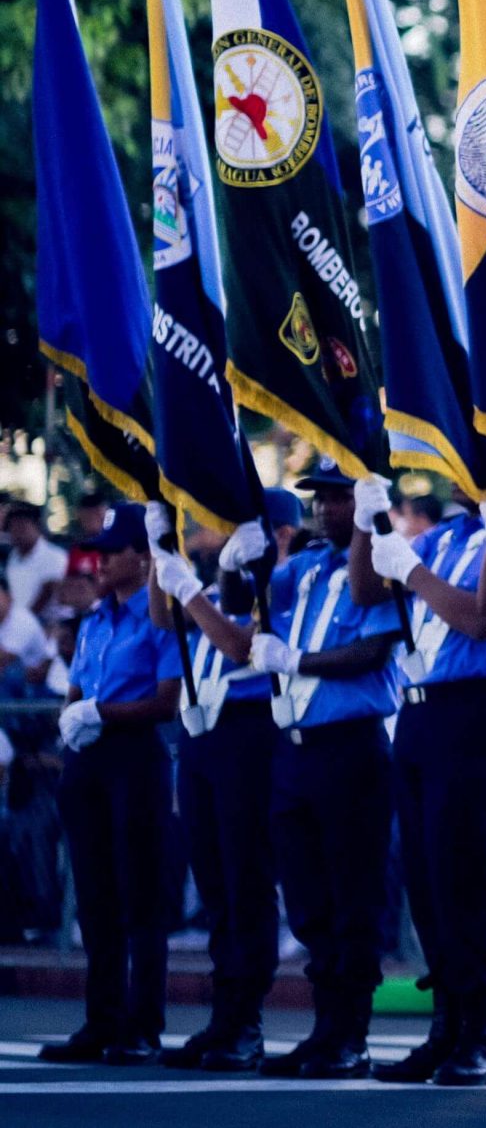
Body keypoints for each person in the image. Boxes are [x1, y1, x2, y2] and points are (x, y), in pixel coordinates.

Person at [356, 473, 486, 1086]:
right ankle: (445, 1026)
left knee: (461, 878)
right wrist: (367, 517)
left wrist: (411, 572)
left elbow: (483, 620)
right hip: (418, 714)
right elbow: (365, 590)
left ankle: (479, 1035)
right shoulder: (441, 538)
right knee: (426, 880)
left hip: (475, 712)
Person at [252, 462, 404, 1078]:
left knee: (352, 895)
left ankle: (351, 1034)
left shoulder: (384, 563)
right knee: (309, 897)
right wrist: (244, 560)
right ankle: (324, 1027)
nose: (324, 510)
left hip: (351, 747)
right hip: (296, 748)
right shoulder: (310, 567)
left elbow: (371, 650)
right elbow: (250, 601)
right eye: (320, 501)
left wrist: (297, 659)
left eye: (339, 500)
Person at [151, 493, 292, 1071]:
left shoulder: (279, 587)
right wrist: (164, 553)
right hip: (203, 733)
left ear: (278, 533)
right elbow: (165, 617)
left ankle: (246, 1021)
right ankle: (222, 1015)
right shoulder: (217, 590)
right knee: (213, 880)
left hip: (248, 731)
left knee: (245, 879)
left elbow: (240, 646)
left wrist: (188, 589)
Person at [40, 504, 179, 1065]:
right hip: (89, 758)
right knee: (95, 897)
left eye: (110, 552)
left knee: (138, 896)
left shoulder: (160, 617)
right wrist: (75, 717)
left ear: (142, 559)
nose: (97, 562)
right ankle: (101, 1020)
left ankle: (142, 1024)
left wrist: (100, 713)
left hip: (135, 754)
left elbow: (167, 700)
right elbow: (76, 691)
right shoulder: (96, 620)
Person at [4, 501, 68, 623]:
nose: (17, 532)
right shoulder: (13, 557)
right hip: (22, 623)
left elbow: (46, 596)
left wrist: (21, 624)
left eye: (22, 526)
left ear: (36, 527)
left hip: (52, 624)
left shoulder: (55, 556)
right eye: (13, 527)